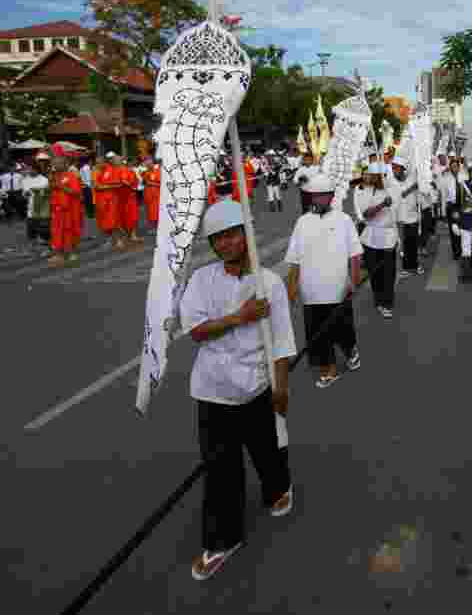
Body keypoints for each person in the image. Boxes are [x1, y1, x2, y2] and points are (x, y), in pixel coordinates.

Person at [179, 199, 296, 581]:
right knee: (220, 472)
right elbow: (196, 331)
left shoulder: (270, 283)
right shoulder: (201, 280)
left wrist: (281, 386)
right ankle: (223, 539)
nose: (226, 243)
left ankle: (278, 487)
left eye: (232, 234)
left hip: (258, 386)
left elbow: (281, 340)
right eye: (218, 239)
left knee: (269, 450)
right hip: (212, 392)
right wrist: (238, 317)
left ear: (246, 234)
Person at [286, 174, 363, 390]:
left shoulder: (344, 220)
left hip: (338, 288)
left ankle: (351, 351)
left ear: (331, 196)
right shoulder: (302, 223)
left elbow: (355, 254)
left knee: (343, 329)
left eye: (323, 195)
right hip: (311, 293)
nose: (318, 199)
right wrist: (291, 291)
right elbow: (294, 260)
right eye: (315, 196)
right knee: (317, 335)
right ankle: (328, 369)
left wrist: (354, 281)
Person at [353, 162, 400, 318]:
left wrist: (390, 201)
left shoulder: (394, 189)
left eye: (374, 176)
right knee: (374, 272)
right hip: (371, 237)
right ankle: (378, 299)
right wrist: (382, 204)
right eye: (370, 176)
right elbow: (366, 214)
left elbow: (395, 214)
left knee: (389, 272)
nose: (370, 178)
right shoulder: (364, 191)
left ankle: (387, 302)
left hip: (388, 237)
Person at [47, 152, 83, 266]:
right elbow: (51, 190)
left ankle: (71, 252)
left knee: (69, 230)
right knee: (56, 231)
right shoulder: (54, 176)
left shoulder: (71, 176)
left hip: (69, 210)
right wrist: (51, 182)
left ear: (65, 164)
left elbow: (76, 192)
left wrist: (61, 187)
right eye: (54, 163)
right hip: (56, 209)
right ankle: (58, 254)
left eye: (58, 163)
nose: (56, 166)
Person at [391, 156, 424, 278]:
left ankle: (414, 265)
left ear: (403, 169)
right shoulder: (392, 184)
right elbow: (398, 195)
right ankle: (404, 267)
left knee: (413, 243)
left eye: (397, 169)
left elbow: (420, 180)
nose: (394, 171)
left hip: (413, 218)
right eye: (393, 168)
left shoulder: (411, 180)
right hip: (400, 220)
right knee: (403, 246)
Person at [92, 152, 122, 249]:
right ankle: (109, 240)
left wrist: (104, 186)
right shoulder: (96, 171)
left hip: (112, 200)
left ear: (104, 162)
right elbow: (95, 186)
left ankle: (118, 240)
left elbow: (119, 184)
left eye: (99, 163)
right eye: (96, 163)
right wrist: (104, 186)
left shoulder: (112, 170)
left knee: (114, 220)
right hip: (101, 201)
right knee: (104, 222)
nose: (98, 165)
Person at [21, 157, 51, 250]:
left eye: (30, 168)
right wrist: (25, 194)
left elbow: (47, 193)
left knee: (44, 229)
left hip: (43, 209)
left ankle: (47, 245)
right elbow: (24, 193)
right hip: (31, 209)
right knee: (31, 229)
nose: (28, 170)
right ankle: (34, 246)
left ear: (36, 169)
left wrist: (39, 192)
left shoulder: (44, 180)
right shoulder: (25, 180)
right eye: (27, 168)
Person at [115, 154, 142, 246]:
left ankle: (132, 234)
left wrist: (128, 184)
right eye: (117, 160)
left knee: (132, 216)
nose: (119, 162)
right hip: (118, 198)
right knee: (119, 218)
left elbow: (135, 182)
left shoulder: (129, 171)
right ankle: (121, 238)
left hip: (130, 197)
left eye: (120, 160)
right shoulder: (114, 171)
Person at [142, 157, 161, 231]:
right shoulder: (146, 172)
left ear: (152, 162)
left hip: (156, 196)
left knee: (156, 212)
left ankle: (157, 227)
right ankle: (152, 226)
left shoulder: (158, 171)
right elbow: (144, 182)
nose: (146, 164)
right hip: (148, 196)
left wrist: (151, 183)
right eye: (145, 163)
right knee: (149, 212)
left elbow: (161, 184)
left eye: (147, 163)